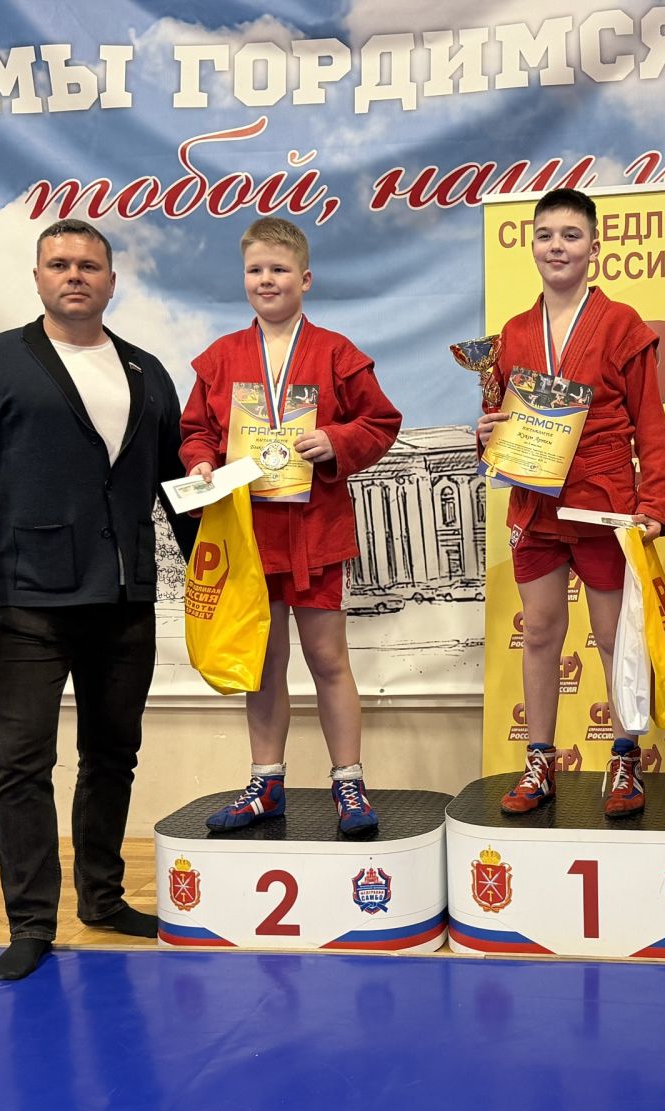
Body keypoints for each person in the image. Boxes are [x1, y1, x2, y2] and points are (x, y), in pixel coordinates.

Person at [0, 220, 197, 981]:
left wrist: (222, 568)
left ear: (111, 281)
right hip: (26, 604)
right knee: (23, 765)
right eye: (60, 264)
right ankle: (32, 923)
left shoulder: (146, 370)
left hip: (124, 600)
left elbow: (178, 488)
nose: (75, 275)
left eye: (89, 265)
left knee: (113, 756)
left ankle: (102, 899)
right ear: (38, 276)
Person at [181, 219, 401, 837]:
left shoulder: (336, 352)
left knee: (328, 659)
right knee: (263, 663)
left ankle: (349, 782)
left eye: (279, 269)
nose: (266, 280)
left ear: (304, 279)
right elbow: (196, 430)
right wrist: (200, 463)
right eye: (255, 270)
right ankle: (265, 783)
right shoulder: (220, 357)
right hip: (248, 535)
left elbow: (380, 421)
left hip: (314, 531)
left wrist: (335, 440)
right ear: (243, 278)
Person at [476, 189, 665, 818]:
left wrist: (655, 503)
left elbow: (651, 424)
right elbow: (502, 422)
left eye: (570, 235)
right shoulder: (513, 333)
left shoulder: (621, 324)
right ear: (531, 245)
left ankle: (624, 759)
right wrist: (488, 434)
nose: (556, 246)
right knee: (539, 631)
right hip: (536, 505)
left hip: (603, 503)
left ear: (594, 247)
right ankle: (540, 760)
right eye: (545, 235)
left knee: (614, 636)